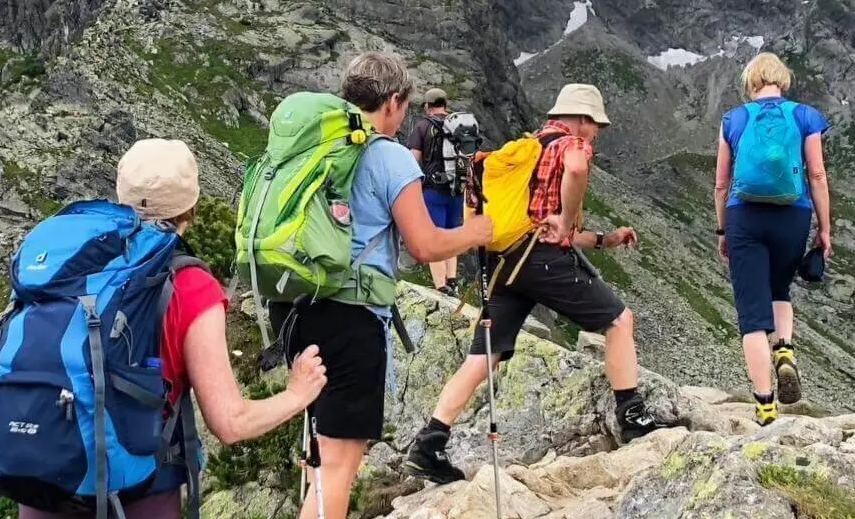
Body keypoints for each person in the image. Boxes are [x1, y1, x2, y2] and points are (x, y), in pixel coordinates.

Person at [19, 139, 329, 519]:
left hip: (42, 479)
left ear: (120, 195)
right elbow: (230, 424)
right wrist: (298, 393)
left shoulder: (62, 263)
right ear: (192, 207)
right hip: (138, 492)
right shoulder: (190, 285)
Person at [266, 52, 494, 519]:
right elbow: (425, 244)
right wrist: (475, 232)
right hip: (349, 317)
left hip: (291, 304)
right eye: (404, 107)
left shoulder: (315, 146)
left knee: (317, 453)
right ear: (393, 101)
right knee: (338, 466)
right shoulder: (387, 155)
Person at [404, 83, 667, 485]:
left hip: (505, 264)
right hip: (540, 262)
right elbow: (570, 187)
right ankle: (632, 415)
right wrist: (567, 217)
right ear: (581, 119)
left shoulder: (523, 150)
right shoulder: (571, 144)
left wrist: (602, 239)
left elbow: (536, 223)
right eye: (596, 124)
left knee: (483, 357)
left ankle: (429, 442)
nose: (597, 132)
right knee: (619, 321)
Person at [713, 53, 831, 426]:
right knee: (780, 287)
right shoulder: (805, 116)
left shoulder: (734, 119)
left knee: (751, 315)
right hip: (792, 215)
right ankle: (785, 349)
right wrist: (824, 228)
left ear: (751, 81)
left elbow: (720, 183)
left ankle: (765, 405)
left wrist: (722, 229)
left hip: (743, 215)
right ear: (783, 80)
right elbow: (816, 174)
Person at [405, 88, 464, 295]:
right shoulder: (460, 125)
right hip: (457, 190)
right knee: (451, 235)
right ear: (445, 105)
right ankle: (453, 280)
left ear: (427, 107)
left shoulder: (422, 127)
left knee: (434, 236)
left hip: (433, 191)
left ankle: (441, 286)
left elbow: (413, 161)